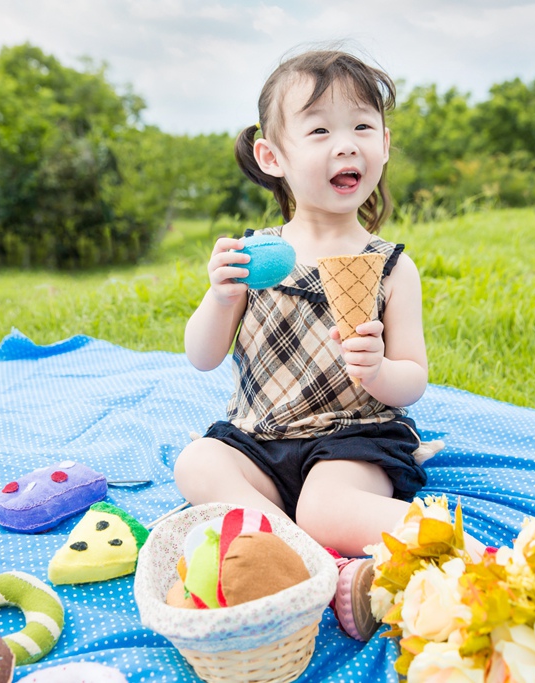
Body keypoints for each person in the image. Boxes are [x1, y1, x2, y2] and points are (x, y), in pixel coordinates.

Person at [174, 48, 484, 641]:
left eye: (362, 127)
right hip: (260, 439)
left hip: (353, 439)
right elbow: (202, 355)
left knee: (323, 506)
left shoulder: (391, 266)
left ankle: (443, 541)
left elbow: (414, 377)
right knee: (197, 461)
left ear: (385, 145)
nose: (346, 145)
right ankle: (316, 564)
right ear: (273, 157)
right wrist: (217, 296)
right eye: (319, 130)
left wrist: (378, 369)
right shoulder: (253, 255)